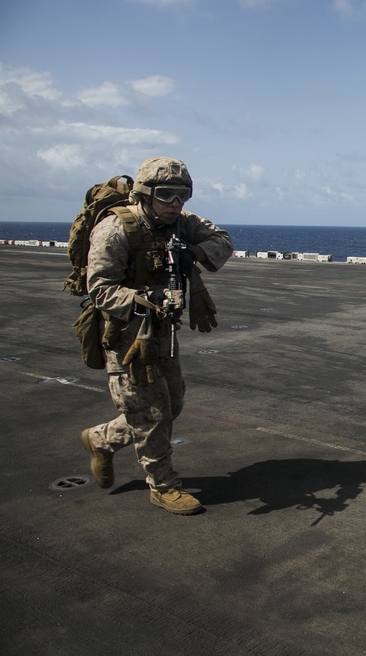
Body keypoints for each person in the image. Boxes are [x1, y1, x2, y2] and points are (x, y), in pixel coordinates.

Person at [79, 157, 232, 515]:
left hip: (164, 332)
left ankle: (102, 439)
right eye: (166, 196)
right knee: (151, 413)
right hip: (127, 337)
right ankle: (163, 486)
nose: (175, 204)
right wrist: (145, 299)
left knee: (172, 403)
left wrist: (191, 253)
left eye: (183, 196)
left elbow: (222, 241)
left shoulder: (180, 223)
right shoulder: (116, 229)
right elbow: (100, 288)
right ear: (144, 195)